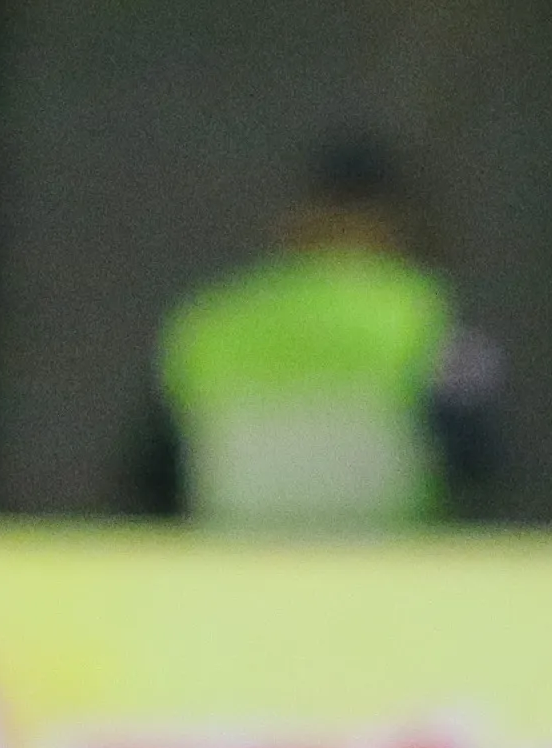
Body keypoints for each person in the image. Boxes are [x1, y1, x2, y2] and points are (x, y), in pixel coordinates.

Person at [138, 135, 504, 528]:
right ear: (396, 225)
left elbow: (151, 472)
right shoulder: (421, 315)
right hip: (384, 568)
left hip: (238, 569)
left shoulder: (212, 322)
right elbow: (477, 456)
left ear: (296, 220)